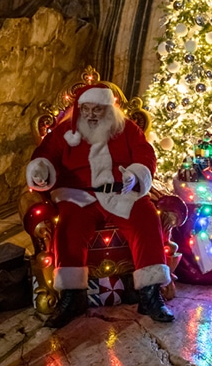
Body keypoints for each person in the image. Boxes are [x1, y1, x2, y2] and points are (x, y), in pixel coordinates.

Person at [26, 83, 174, 328]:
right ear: (79, 109)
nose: (92, 114)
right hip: (79, 196)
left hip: (122, 193)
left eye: (98, 109)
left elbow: (145, 155)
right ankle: (73, 297)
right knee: (69, 227)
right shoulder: (64, 132)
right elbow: (44, 155)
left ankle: (150, 295)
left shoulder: (127, 129)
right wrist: (42, 170)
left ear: (109, 108)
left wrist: (135, 176)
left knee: (146, 218)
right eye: (86, 109)